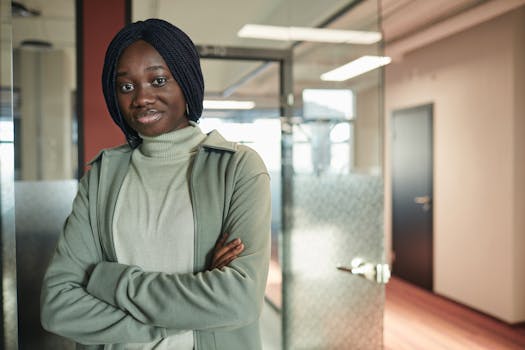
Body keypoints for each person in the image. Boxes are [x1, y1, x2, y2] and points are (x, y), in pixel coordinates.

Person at [40, 18, 271, 350]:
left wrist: (108, 281)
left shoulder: (237, 169)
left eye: (159, 80)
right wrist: (178, 311)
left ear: (186, 83)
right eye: (126, 86)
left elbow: (239, 301)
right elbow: (58, 308)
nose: (142, 98)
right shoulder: (102, 176)